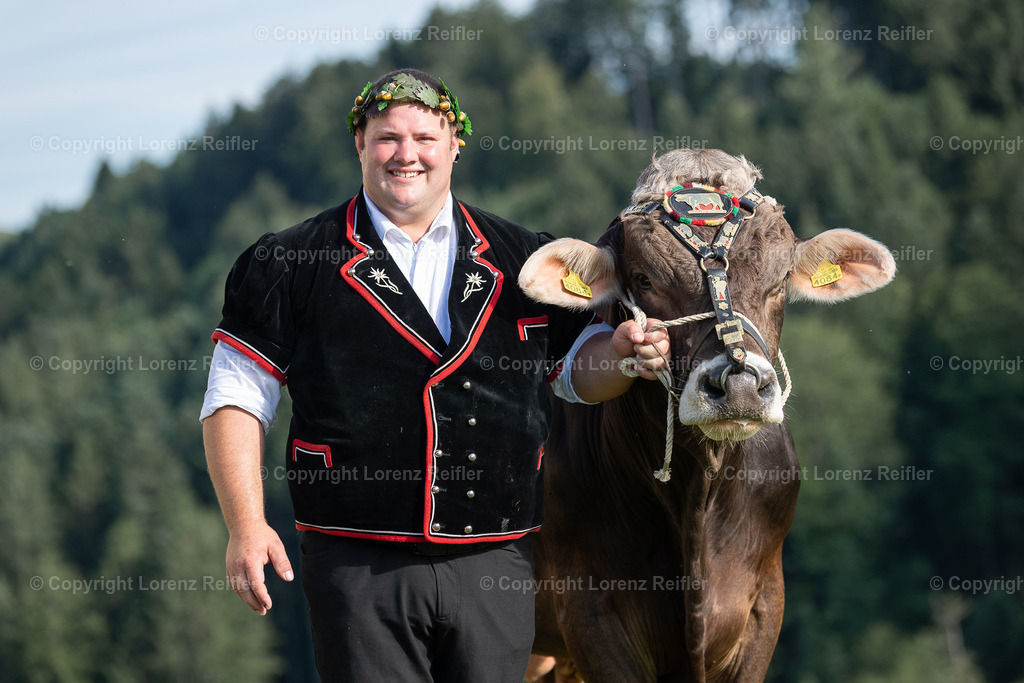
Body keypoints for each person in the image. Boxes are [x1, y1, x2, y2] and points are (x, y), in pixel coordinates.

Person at [200, 67, 669, 682]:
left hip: (497, 558)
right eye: (387, 137)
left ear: (454, 145)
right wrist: (246, 524)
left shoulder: (524, 258)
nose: (406, 154)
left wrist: (624, 355)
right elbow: (236, 397)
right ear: (360, 145)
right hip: (356, 560)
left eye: (425, 137)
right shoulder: (288, 262)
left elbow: (576, 374)